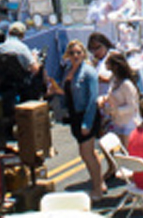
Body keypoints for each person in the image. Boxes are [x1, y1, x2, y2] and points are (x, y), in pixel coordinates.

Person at [51, 40, 105, 200]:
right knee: (90, 154)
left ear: (84, 54)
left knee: (86, 153)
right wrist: (56, 90)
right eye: (72, 53)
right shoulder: (68, 70)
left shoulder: (88, 72)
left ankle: (97, 190)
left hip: (86, 115)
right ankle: (100, 182)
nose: (75, 56)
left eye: (78, 52)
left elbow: (92, 99)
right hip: (74, 115)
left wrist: (87, 123)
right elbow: (67, 92)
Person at [104, 53, 140, 148]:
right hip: (117, 123)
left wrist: (117, 110)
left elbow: (132, 107)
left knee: (130, 151)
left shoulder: (126, 84)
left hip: (129, 124)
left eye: (108, 63)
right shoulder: (113, 80)